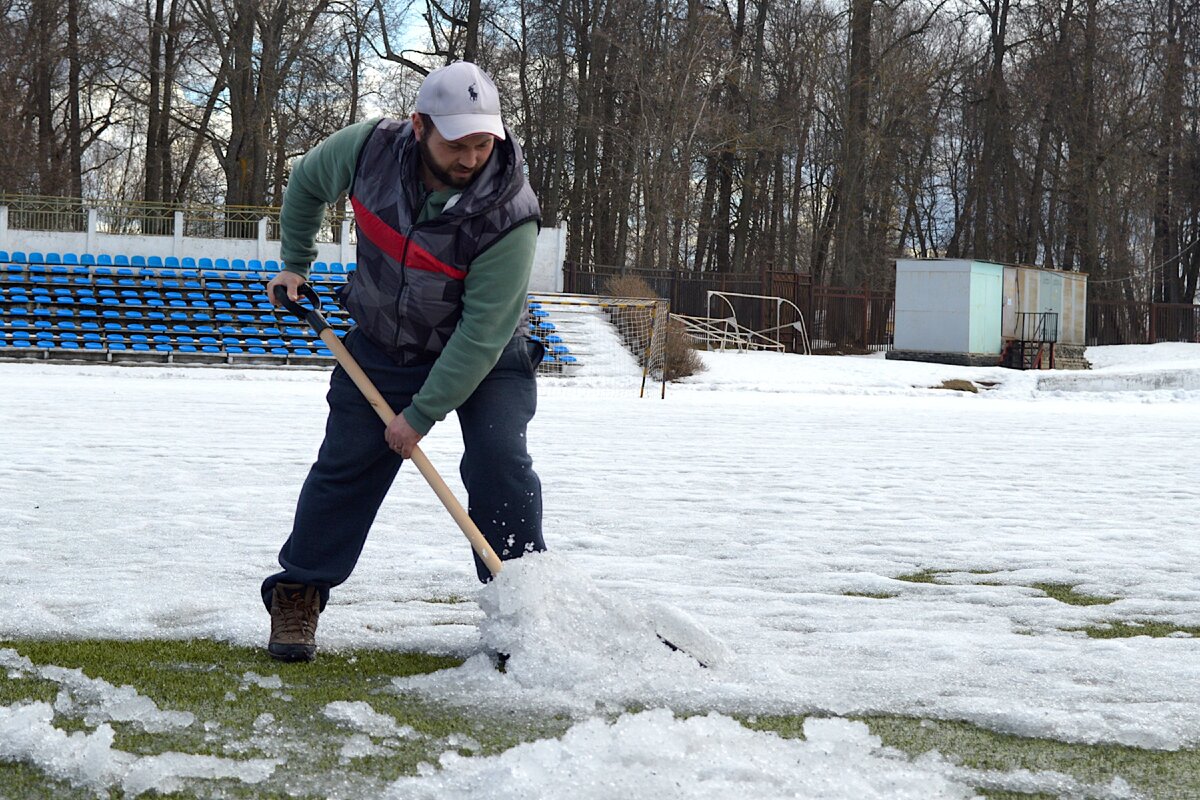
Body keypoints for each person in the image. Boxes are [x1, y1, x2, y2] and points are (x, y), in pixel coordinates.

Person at [260, 61, 546, 662]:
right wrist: (295, 261)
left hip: (488, 358)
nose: (472, 156)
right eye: (458, 143)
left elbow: (482, 333)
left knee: (501, 464)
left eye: (483, 142)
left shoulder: (510, 211)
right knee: (345, 466)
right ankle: (297, 594)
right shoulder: (366, 149)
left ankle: (521, 613)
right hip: (384, 342)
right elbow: (307, 183)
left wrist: (420, 415)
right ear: (419, 127)